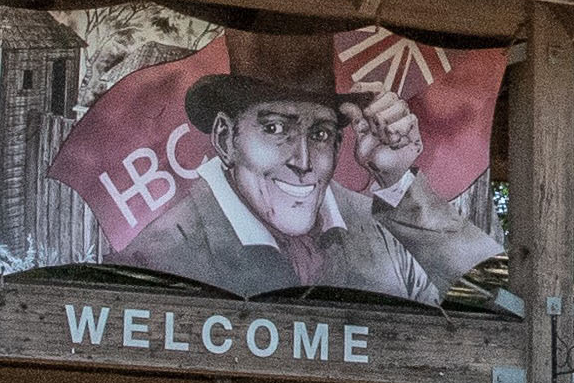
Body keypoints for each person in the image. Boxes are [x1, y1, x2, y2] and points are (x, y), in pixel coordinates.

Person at [111, 60, 490, 301]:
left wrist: (396, 180)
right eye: (275, 128)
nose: (303, 161)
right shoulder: (162, 251)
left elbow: (487, 296)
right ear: (226, 139)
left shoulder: (383, 233)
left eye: (321, 133)